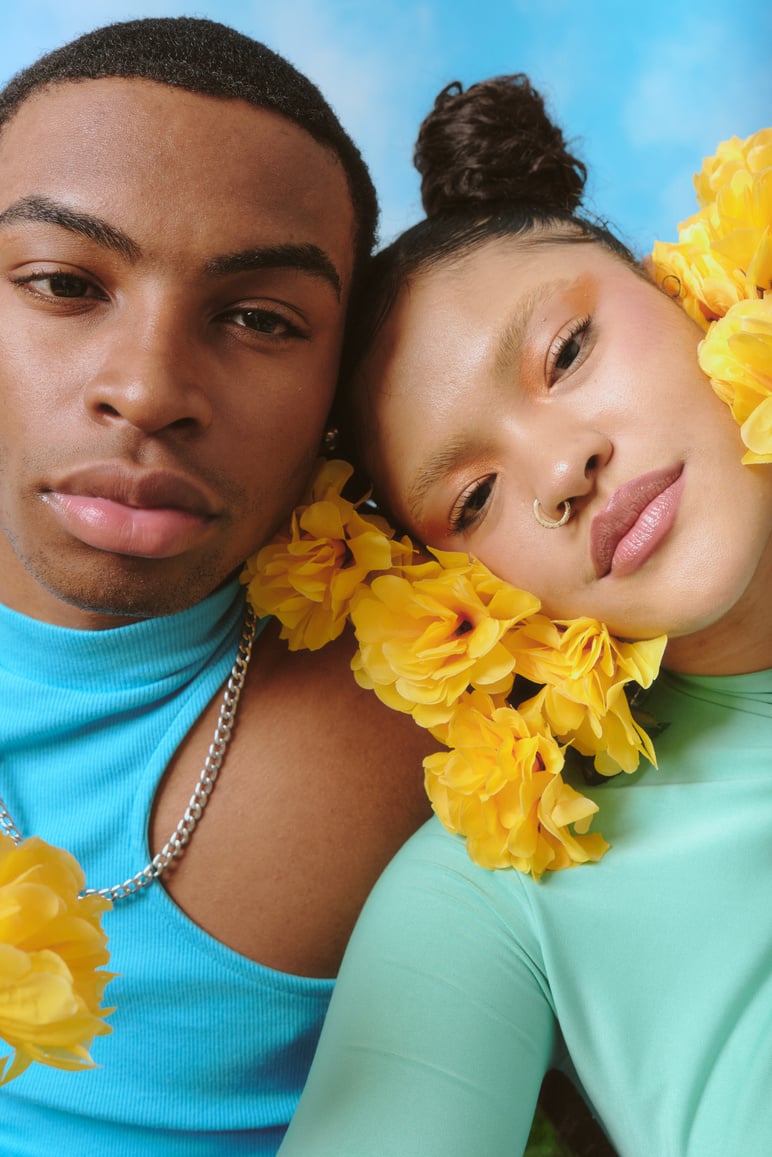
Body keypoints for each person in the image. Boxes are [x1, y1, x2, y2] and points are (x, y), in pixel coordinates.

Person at [276, 77, 772, 1155]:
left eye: (566, 352)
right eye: (471, 498)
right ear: (448, 589)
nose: (561, 467)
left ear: (681, 289)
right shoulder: (505, 882)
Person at [0, 17, 435, 1155]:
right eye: (60, 282)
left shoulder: (435, 715)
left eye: (258, 318)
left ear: (344, 389)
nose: (147, 389)